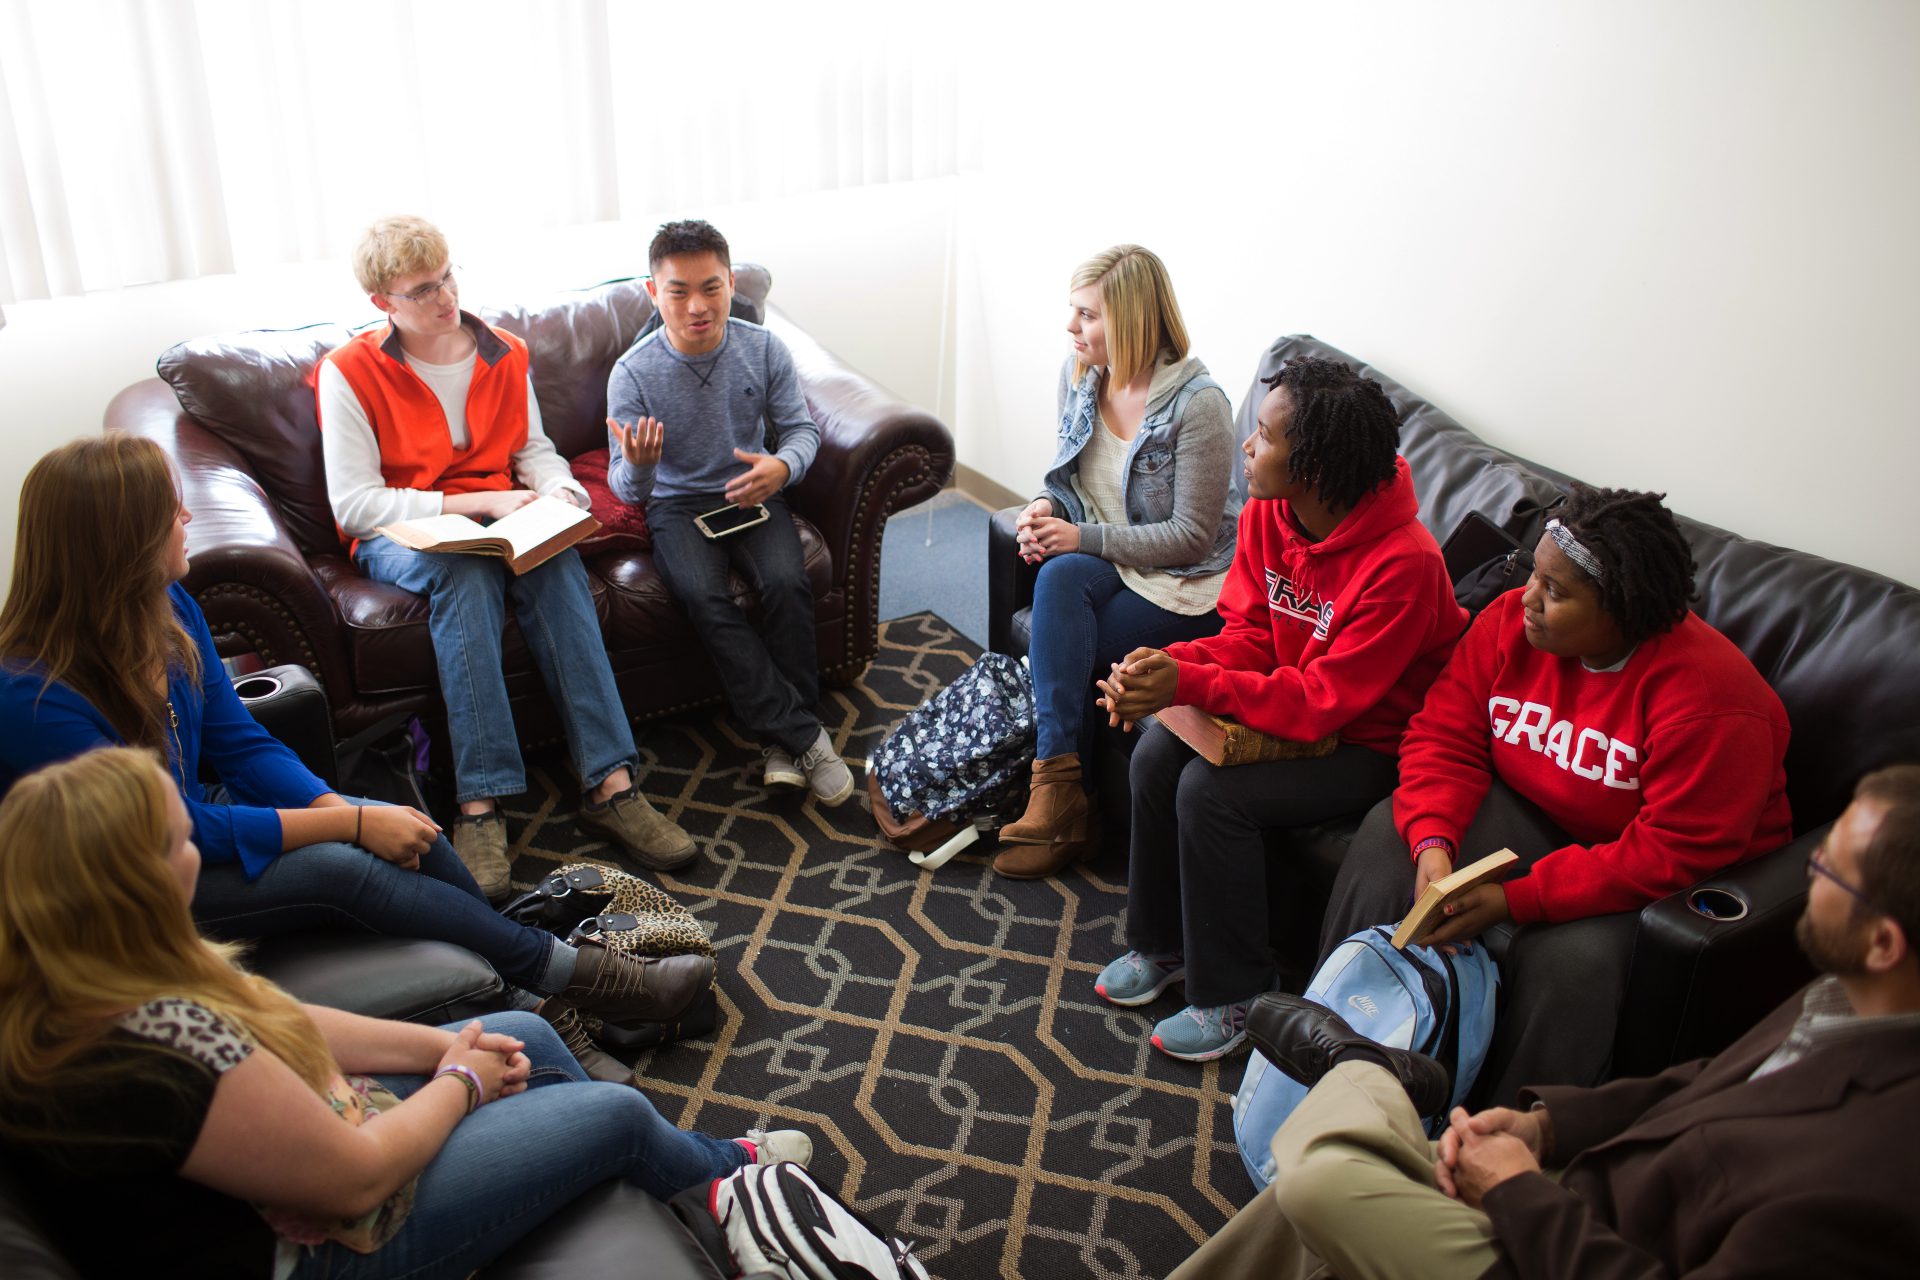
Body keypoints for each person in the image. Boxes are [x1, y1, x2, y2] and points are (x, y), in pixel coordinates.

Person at [0, 436, 708, 1083]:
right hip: (125, 883)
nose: (186, 516)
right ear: (118, 540)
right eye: (168, 508)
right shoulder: (33, 698)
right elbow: (159, 831)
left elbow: (238, 743)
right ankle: (579, 977)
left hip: (187, 827)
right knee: (344, 867)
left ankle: (533, 1004)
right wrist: (345, 831)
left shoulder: (168, 605)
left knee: (410, 830)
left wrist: (343, 811)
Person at [0, 747, 810, 1280]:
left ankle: (691, 1178)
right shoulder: (153, 1048)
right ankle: (727, 1184)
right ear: (130, 887)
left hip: (297, 1179)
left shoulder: (90, 971)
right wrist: (459, 1079)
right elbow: (355, 1181)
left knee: (522, 1030)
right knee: (615, 1115)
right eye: (181, 844)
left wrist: (441, 1046)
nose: (196, 856)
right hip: (325, 1253)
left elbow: (284, 1019)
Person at [1168, 765, 1920, 1280]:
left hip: (1575, 1251)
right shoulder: (1850, 998)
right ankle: (1373, 1089)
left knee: (1322, 1183)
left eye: (1826, 868)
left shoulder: (1876, 1178)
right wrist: (1548, 1130)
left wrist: (1518, 1194)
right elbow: (1700, 1084)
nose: (1805, 868)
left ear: (1885, 942)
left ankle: (1361, 1073)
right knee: (1305, 1215)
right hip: (1584, 1197)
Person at [1318, 485, 1792, 1102]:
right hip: (1540, 814)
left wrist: (1518, 899)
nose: (1528, 601)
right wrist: (1433, 841)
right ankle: (1324, 1039)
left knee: (1572, 965)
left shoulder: (1713, 703)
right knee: (1391, 834)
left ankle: (1494, 1148)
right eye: (1535, 575)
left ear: (1622, 609)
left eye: (1557, 592)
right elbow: (1444, 734)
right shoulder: (1509, 621)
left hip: (1657, 877)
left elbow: (1673, 851)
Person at [1092, 358, 1468, 1061]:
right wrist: (1174, 668)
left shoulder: (1406, 564)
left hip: (1369, 741)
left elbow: (1324, 703)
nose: (1247, 447)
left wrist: (1190, 685)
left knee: (1212, 793)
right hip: (1295, 700)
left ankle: (1237, 993)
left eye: (1263, 436)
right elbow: (1250, 634)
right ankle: (1164, 946)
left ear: (1316, 466)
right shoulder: (1271, 510)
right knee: (1154, 752)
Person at [317, 214, 693, 897]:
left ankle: (611, 784)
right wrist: (476, 506)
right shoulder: (349, 373)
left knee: (554, 557)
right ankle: (479, 805)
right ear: (383, 304)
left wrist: (562, 491)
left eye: (447, 277)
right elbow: (356, 505)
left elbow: (533, 451)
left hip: (501, 521)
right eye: (421, 290)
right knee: (465, 573)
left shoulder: (504, 353)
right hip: (406, 536)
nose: (444, 297)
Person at [991, 244, 1237, 879]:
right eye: (1072, 313)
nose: (1071, 328)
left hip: (1185, 581)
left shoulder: (1198, 405)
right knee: (1059, 574)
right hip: (1112, 558)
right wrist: (1045, 508)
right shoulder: (1079, 375)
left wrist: (1079, 539)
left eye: (1086, 315)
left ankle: (1059, 797)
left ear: (1129, 320)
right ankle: (1061, 791)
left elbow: (1189, 536)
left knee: (1065, 580)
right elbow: (1072, 481)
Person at [604, 219, 853, 806]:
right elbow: (626, 488)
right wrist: (641, 465)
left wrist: (782, 469)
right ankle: (804, 736)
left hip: (754, 489)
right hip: (676, 504)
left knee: (788, 583)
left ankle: (776, 745)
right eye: (679, 291)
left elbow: (799, 431)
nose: (697, 306)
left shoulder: (762, 348)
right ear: (652, 292)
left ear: (731, 282)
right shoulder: (632, 373)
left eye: (711, 288)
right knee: (703, 598)